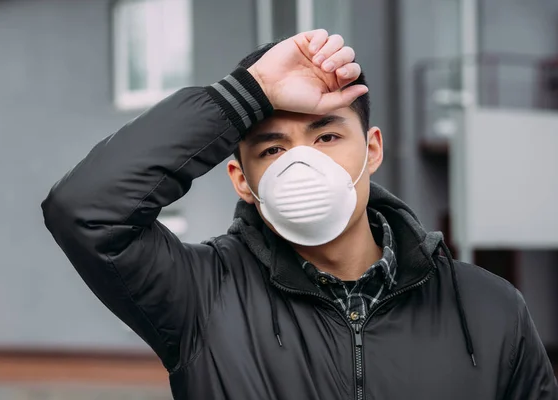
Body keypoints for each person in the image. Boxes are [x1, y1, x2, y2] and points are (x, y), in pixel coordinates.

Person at [42, 30, 557, 399]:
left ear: (371, 150)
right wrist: (246, 95)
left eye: (327, 137)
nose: (302, 165)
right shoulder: (201, 297)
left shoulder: (490, 310)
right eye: (271, 150)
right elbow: (85, 209)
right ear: (242, 179)